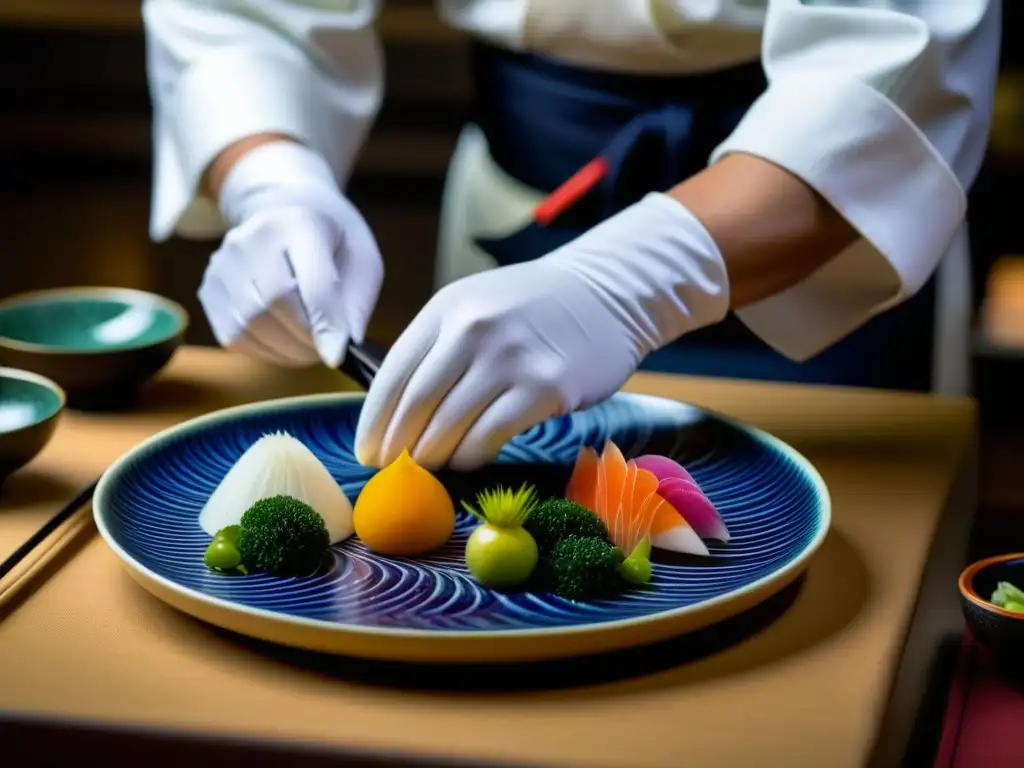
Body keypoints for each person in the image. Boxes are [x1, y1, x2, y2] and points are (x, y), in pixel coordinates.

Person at [143, 0, 1000, 471]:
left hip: (824, 233)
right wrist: (272, 180)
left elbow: (896, 54)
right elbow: (243, 14)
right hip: (523, 192)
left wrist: (625, 282)